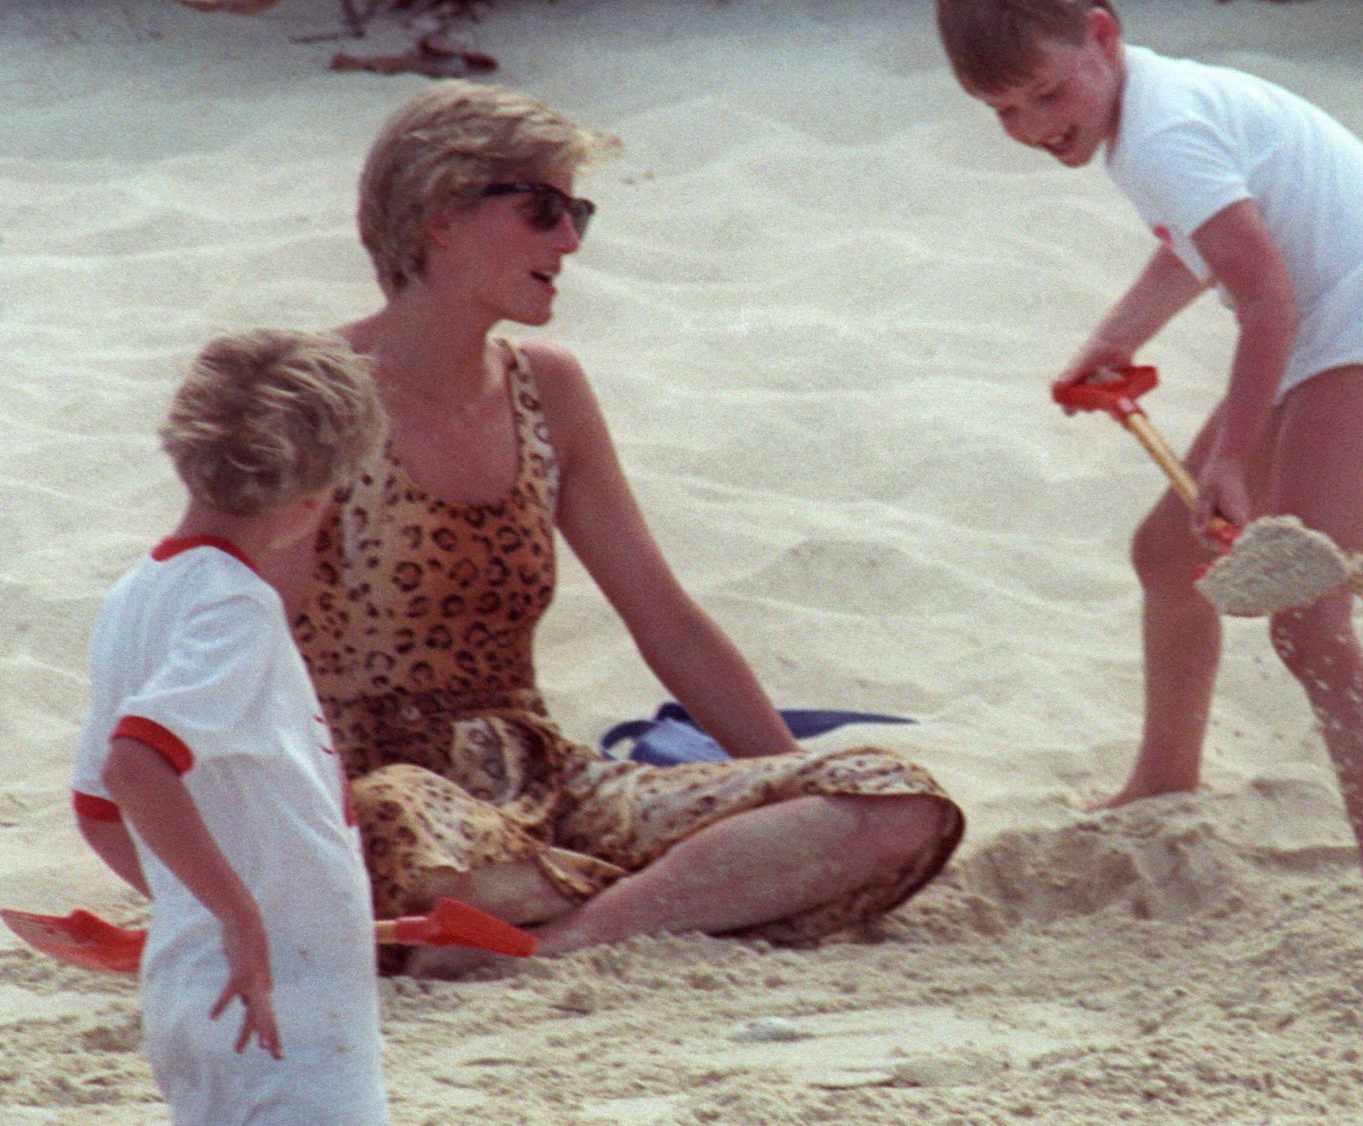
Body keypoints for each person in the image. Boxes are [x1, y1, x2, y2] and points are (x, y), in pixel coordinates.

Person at [262, 81, 964, 973]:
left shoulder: (548, 391)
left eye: (577, 213)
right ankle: (659, 898)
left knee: (897, 800)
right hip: (372, 791)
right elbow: (236, 629)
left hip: (545, 778)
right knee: (410, 820)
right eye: (543, 209)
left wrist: (786, 787)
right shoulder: (310, 394)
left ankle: (565, 936)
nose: (570, 240)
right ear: (441, 214)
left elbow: (666, 621)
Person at [934, 0, 1363, 876]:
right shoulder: (1145, 111)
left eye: (1047, 93)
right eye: (1002, 110)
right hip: (1320, 340)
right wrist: (1118, 337)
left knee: (1306, 614)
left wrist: (1223, 459)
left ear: (1102, 35)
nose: (1035, 126)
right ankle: (1165, 773)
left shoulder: (1164, 130)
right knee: (1168, 553)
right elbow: (1197, 245)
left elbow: (1268, 300)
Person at [71, 330, 389, 1124]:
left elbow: (97, 811)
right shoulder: (236, 606)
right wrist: (238, 916)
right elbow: (136, 764)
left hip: (193, 992)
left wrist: (189, 902)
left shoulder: (137, 594)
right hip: (284, 1003)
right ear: (311, 499)